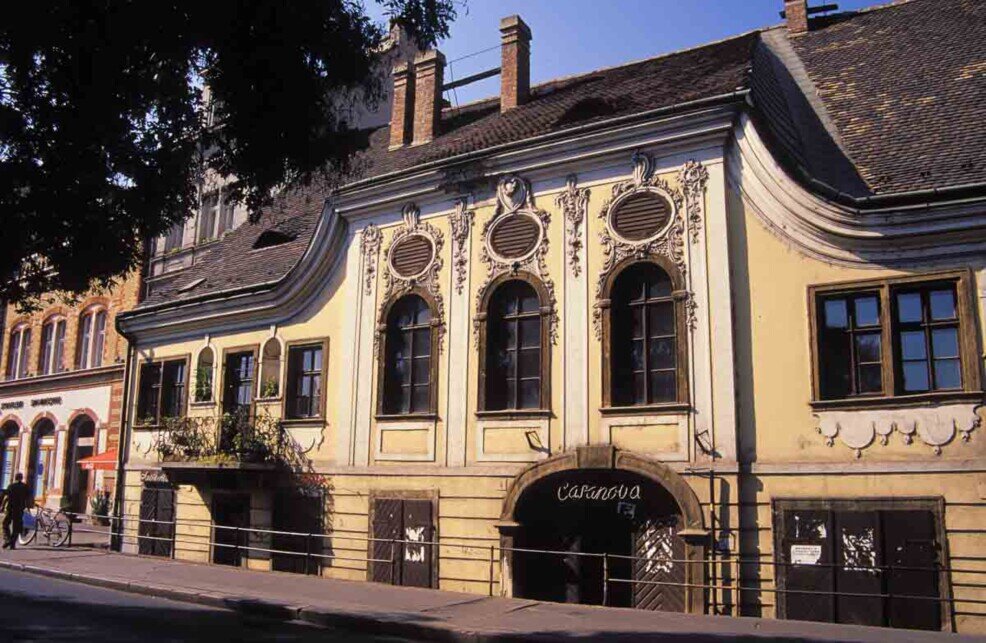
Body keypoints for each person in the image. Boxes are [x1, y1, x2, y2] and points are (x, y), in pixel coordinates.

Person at [2, 473, 31, 549]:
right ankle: (12, 544)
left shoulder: (11, 486)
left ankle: (7, 539)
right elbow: (28, 498)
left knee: (5, 524)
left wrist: (2, 507)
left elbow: (6, 498)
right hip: (20, 509)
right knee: (16, 527)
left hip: (10, 508)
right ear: (21, 478)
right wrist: (28, 507)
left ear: (15, 478)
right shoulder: (25, 487)